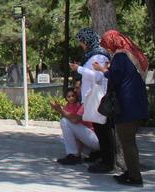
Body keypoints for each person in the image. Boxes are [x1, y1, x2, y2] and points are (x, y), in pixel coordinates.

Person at [93, 30, 149, 187]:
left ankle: (135, 177)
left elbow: (114, 77)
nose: (107, 49)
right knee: (130, 142)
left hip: (127, 107)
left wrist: (102, 70)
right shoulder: (130, 55)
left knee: (127, 143)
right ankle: (131, 171)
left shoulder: (120, 56)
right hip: (137, 105)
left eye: (107, 44)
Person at [70, 27, 113, 173]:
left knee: (104, 130)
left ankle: (108, 162)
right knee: (100, 130)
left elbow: (99, 77)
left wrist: (79, 69)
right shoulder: (91, 55)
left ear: (87, 40)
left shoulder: (99, 56)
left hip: (99, 98)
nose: (81, 45)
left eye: (81, 41)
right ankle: (103, 157)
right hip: (92, 98)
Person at [52, 88, 100, 164]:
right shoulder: (69, 106)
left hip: (95, 138)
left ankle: (74, 156)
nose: (76, 90)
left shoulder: (82, 105)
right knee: (62, 137)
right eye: (69, 96)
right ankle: (91, 154)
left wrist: (60, 110)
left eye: (77, 88)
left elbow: (75, 120)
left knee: (64, 121)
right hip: (90, 138)